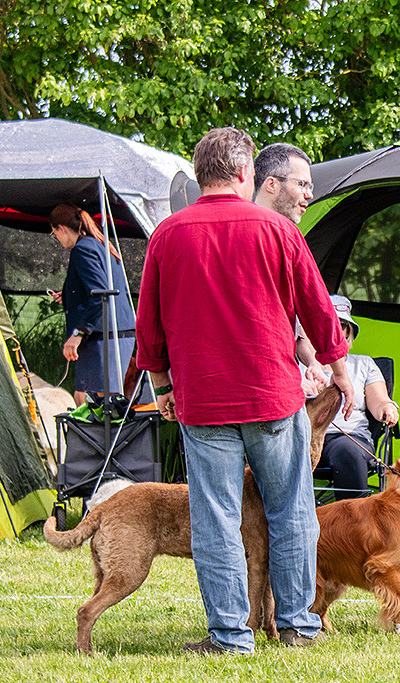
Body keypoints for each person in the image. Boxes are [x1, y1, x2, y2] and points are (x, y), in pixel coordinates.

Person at [136, 127, 354, 654]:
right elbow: (318, 309)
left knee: (216, 520)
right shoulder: (278, 232)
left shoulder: (167, 235)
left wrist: (162, 385)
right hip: (273, 400)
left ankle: (230, 635)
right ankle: (299, 627)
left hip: (204, 402)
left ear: (198, 174)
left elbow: (150, 326)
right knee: (292, 512)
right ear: (246, 174)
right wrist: (339, 367)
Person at [253, 142, 328, 396]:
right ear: (272, 184)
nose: (309, 195)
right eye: (302, 184)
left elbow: (292, 332)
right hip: (269, 395)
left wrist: (313, 362)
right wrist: (338, 372)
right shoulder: (277, 236)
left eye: (310, 186)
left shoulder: (288, 236)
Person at [48, 203, 137, 407]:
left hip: (101, 337)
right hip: (120, 333)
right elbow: (101, 287)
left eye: (54, 234)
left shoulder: (81, 249)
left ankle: (99, 440)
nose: (58, 240)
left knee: (88, 401)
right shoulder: (101, 244)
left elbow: (100, 294)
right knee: (107, 403)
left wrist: (77, 335)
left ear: (61, 228)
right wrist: (71, 295)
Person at [317, 295, 399, 500]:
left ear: (349, 333)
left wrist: (387, 407)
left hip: (347, 437)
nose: (335, 333)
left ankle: (352, 526)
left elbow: (379, 400)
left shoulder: (363, 364)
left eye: (342, 328)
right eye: (329, 326)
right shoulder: (301, 364)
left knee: (346, 450)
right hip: (302, 437)